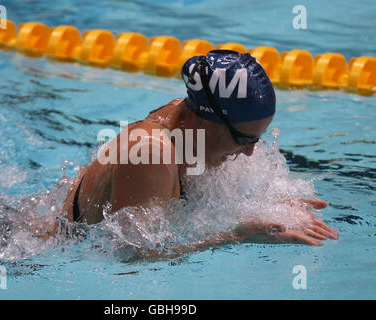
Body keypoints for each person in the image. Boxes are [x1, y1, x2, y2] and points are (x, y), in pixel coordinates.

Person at [38, 50, 338, 251]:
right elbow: (129, 259)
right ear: (202, 118)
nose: (248, 153)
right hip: (32, 257)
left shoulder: (189, 125)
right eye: (243, 139)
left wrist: (273, 206)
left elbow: (205, 201)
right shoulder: (150, 154)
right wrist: (236, 236)